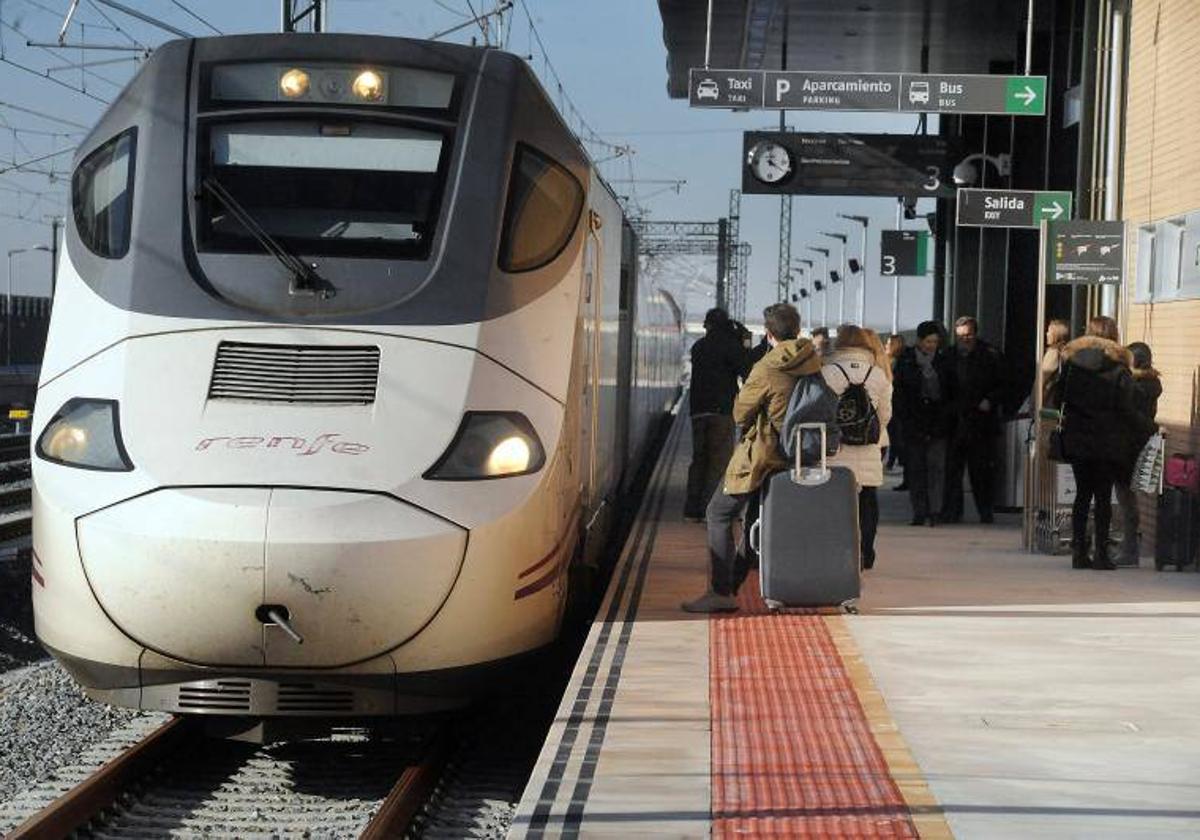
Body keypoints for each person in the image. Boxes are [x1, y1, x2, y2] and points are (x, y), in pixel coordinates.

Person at [682, 303, 820, 613]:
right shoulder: (813, 361)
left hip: (762, 453)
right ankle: (732, 582)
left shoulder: (769, 366)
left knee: (718, 513)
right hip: (796, 453)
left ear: (769, 333)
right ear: (797, 329)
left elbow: (741, 411)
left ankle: (721, 590)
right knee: (756, 517)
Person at [1051, 316, 1155, 570]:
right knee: (1103, 497)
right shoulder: (1118, 368)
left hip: (1077, 437)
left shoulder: (1072, 364)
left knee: (1082, 496)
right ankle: (1101, 555)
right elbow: (1127, 406)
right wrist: (1149, 426)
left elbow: (1058, 398)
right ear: (1112, 337)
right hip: (1107, 440)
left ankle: (1078, 552)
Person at [822, 325, 892, 569]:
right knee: (868, 500)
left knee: (834, 502)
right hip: (867, 447)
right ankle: (867, 552)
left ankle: (838, 551)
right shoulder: (877, 374)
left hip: (834, 450)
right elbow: (885, 415)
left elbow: (820, 412)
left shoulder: (827, 372)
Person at [684, 308, 750, 521]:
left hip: (698, 411)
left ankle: (691, 510)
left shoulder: (698, 347)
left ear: (708, 325)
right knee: (718, 462)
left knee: (699, 460)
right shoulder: (731, 347)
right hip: (721, 412)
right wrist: (743, 342)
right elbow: (747, 370)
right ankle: (708, 510)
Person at [942, 316, 1006, 524]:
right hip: (955, 421)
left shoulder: (990, 355)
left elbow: (1005, 383)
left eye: (968, 335)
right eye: (960, 336)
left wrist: (991, 400)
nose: (965, 339)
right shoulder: (948, 356)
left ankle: (985, 510)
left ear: (976, 334)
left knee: (982, 471)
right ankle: (953, 511)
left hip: (981, 422)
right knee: (952, 470)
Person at [894, 321, 955, 526]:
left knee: (937, 468)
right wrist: (904, 419)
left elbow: (950, 392)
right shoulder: (906, 360)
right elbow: (900, 392)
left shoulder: (944, 361)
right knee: (916, 469)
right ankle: (919, 510)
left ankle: (935, 510)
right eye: (928, 341)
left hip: (938, 423)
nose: (932, 346)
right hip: (914, 422)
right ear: (919, 341)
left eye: (935, 342)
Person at [1114, 341, 1162, 565]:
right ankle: (1128, 547)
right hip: (1137, 444)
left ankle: (1130, 549)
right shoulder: (1151, 384)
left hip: (1127, 445)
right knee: (1127, 497)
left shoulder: (1135, 385)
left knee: (1126, 498)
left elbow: (1128, 414)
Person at [884, 333, 906, 477]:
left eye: (888, 344)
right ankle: (893, 461)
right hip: (890, 403)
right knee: (892, 434)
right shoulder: (888, 361)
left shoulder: (897, 363)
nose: (886, 346)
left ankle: (893, 462)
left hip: (895, 404)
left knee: (895, 435)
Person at [1040, 319, 1070, 404]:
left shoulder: (1053, 353)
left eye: (1049, 332)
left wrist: (1034, 404)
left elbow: (1042, 381)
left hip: (1046, 402)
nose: (1047, 334)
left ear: (1057, 335)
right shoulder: (1063, 352)